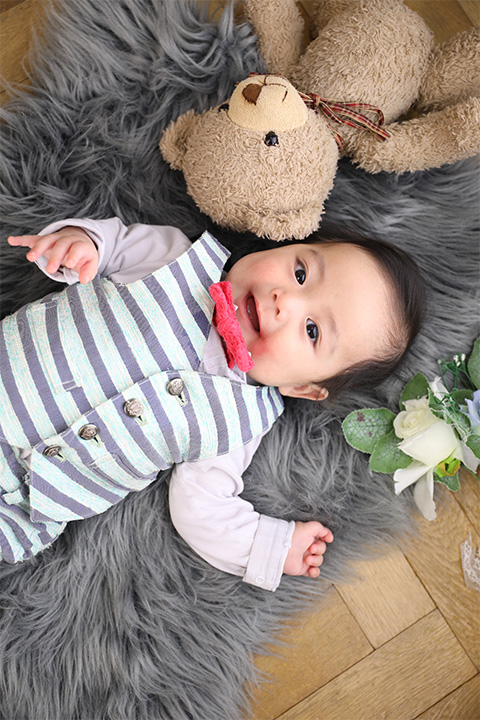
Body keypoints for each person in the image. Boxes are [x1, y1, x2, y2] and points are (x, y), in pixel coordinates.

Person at [1, 217, 424, 589]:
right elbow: (114, 243)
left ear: (303, 388)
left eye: (312, 330)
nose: (286, 301)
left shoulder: (238, 422)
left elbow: (202, 507)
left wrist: (271, 546)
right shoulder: (176, 258)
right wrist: (81, 242)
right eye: (300, 272)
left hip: (21, 499)